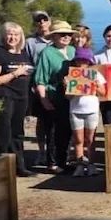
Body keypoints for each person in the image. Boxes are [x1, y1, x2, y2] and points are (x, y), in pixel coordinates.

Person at [0, 22, 34, 176]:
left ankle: (19, 166)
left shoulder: (23, 53)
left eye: (16, 34)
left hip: (22, 97)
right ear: (4, 36)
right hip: (4, 96)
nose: (13, 37)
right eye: (10, 34)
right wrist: (15, 73)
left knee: (18, 132)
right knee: (3, 132)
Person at [33, 20, 76, 173]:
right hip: (53, 96)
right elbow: (40, 79)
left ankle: (63, 161)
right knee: (52, 131)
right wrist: (44, 100)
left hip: (70, 98)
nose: (66, 37)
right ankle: (52, 163)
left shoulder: (72, 51)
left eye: (69, 34)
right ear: (54, 36)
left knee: (67, 130)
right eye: (62, 34)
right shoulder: (47, 53)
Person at [68, 47, 106, 176]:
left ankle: (91, 164)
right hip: (75, 110)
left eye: (84, 60)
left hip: (92, 110)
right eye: (79, 60)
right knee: (78, 140)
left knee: (90, 140)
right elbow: (67, 97)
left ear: (89, 61)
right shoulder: (71, 75)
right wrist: (67, 86)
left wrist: (96, 85)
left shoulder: (95, 74)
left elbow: (103, 93)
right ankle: (79, 165)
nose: (82, 63)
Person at [25, 10, 52, 166]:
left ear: (49, 21)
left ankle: (56, 152)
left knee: (58, 122)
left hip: (56, 89)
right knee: (41, 122)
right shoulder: (30, 43)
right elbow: (27, 65)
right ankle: (41, 152)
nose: (42, 23)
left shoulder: (56, 39)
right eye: (38, 21)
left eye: (44, 19)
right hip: (37, 88)